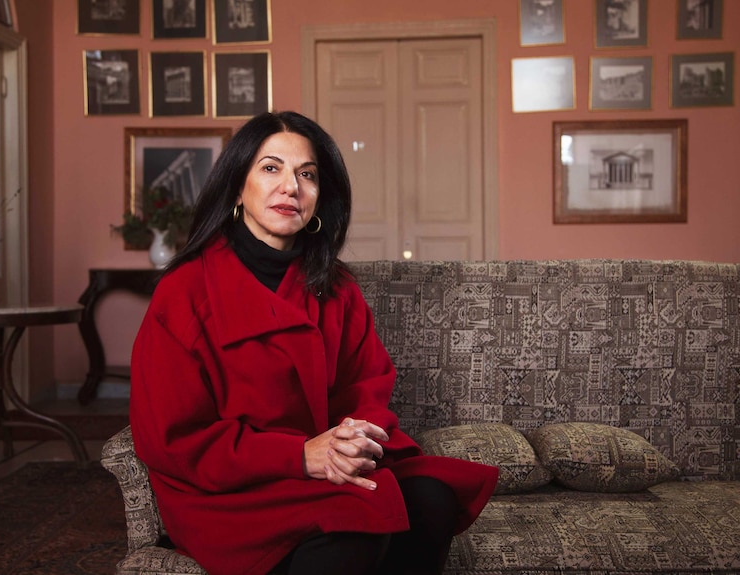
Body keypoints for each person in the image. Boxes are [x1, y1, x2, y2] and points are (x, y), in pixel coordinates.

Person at [129, 111, 498, 575]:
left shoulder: (336, 286)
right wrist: (300, 456)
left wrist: (352, 442)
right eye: (271, 168)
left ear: (321, 197)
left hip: (327, 465)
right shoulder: (184, 291)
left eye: (307, 174)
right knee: (350, 529)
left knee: (433, 499)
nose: (291, 186)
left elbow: (368, 383)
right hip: (235, 485)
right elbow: (174, 438)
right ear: (237, 186)